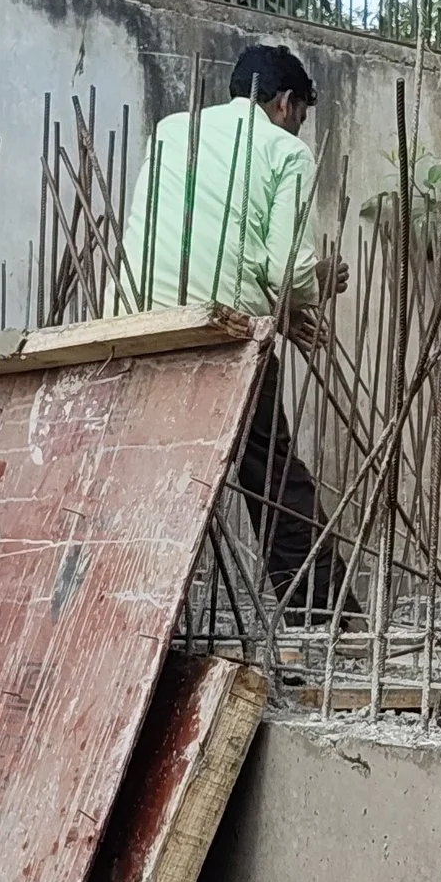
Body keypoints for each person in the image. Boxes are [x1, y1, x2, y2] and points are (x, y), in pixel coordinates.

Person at [125, 43, 344, 599]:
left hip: (135, 326)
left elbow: (213, 246)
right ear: (286, 103)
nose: (297, 130)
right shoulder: (283, 152)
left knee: (153, 473)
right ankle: (325, 617)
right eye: (300, 117)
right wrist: (313, 286)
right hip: (222, 333)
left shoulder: (172, 132)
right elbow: (287, 272)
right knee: (273, 474)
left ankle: (131, 603)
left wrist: (286, 307)